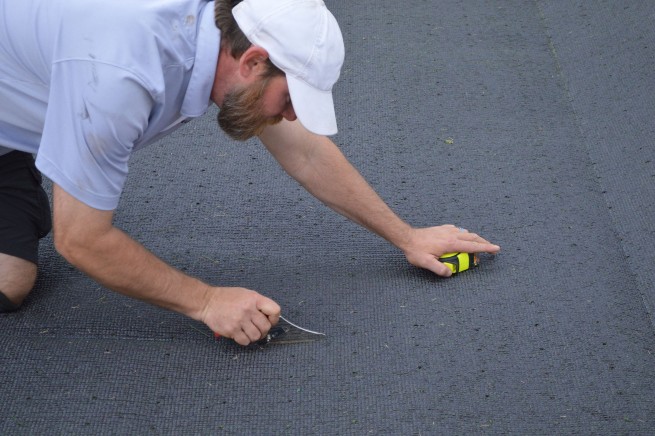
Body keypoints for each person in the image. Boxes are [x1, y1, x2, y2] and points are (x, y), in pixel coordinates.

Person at [0, 0, 500, 345]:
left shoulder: (225, 30)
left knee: (11, 276)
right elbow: (81, 240)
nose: (289, 118)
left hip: (28, 103)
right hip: (50, 95)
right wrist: (206, 301)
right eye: (288, 101)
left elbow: (303, 151)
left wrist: (406, 236)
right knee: (12, 282)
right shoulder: (118, 76)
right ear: (254, 61)